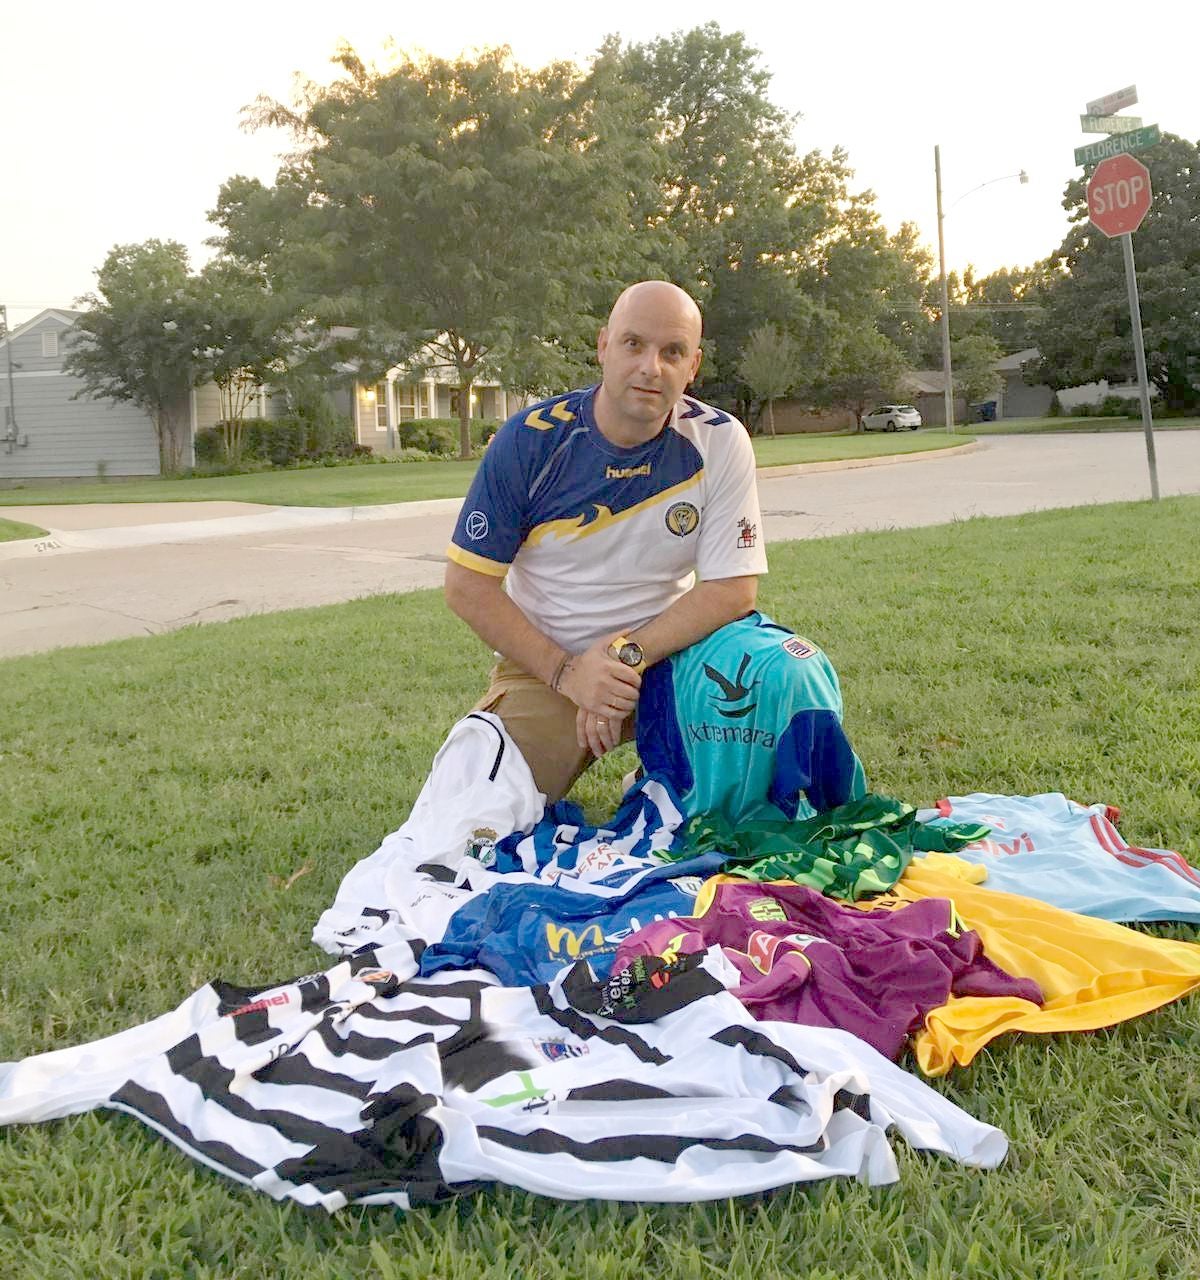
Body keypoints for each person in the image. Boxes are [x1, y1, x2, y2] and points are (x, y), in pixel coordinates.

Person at [444, 280, 768, 801]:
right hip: (548, 669)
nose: (651, 367)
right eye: (634, 344)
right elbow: (466, 585)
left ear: (694, 366)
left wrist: (624, 657)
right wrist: (568, 673)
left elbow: (733, 589)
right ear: (603, 346)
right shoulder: (530, 440)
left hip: (671, 659)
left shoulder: (720, 439)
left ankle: (660, 775)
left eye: (672, 352)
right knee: (471, 815)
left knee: (772, 701)